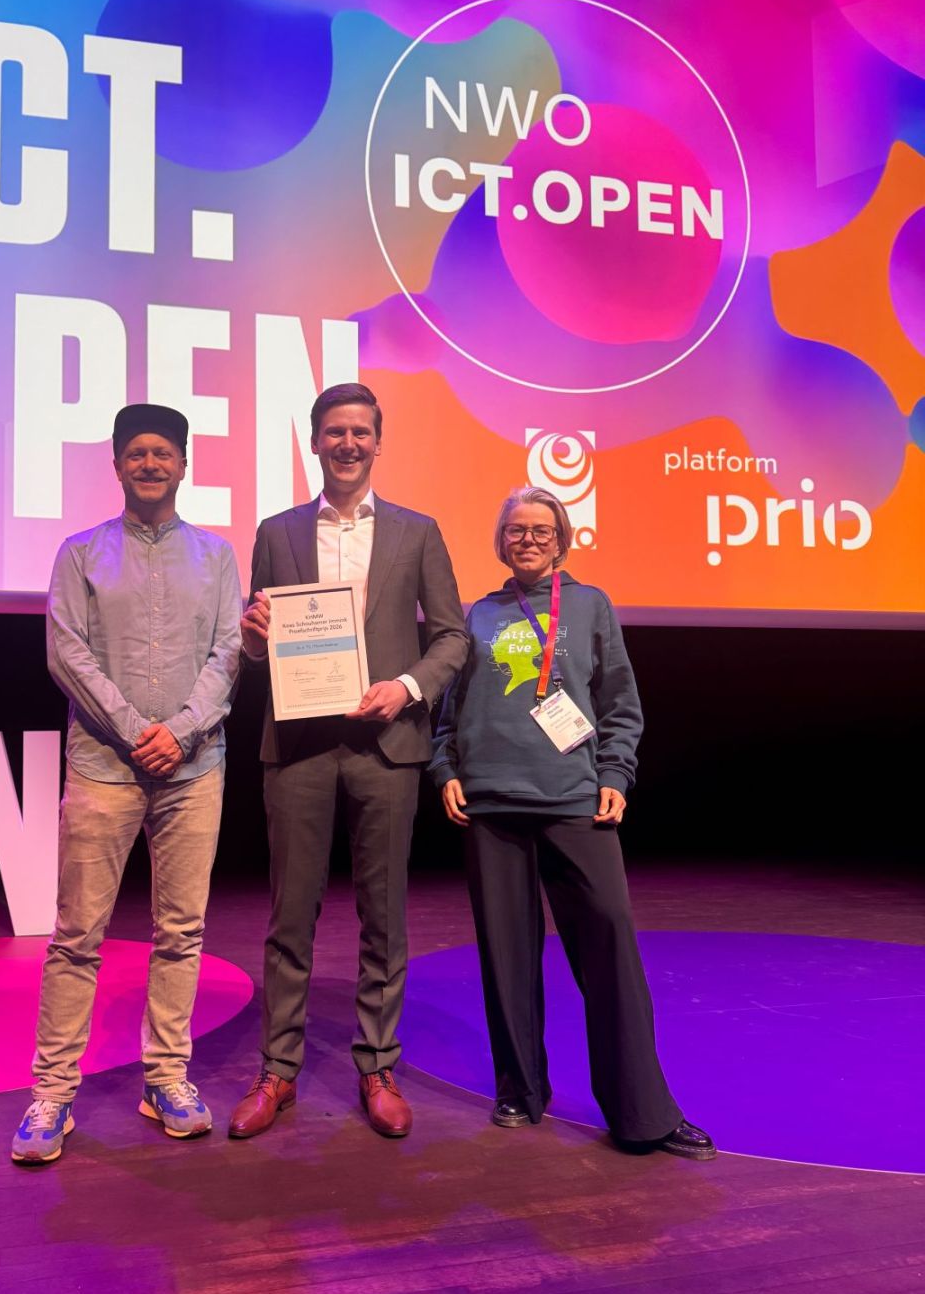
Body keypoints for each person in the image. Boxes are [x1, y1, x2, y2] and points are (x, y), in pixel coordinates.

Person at [428, 486, 715, 1160]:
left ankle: (642, 1113)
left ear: (561, 540)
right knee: (506, 957)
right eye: (516, 530)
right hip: (491, 804)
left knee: (611, 950)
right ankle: (519, 1090)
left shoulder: (590, 606)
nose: (527, 540)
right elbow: (449, 712)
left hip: (574, 800)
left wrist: (614, 775)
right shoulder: (478, 613)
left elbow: (620, 704)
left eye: (540, 530)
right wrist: (445, 770)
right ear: (500, 540)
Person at [230, 383, 468, 1139]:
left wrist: (407, 688)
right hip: (299, 745)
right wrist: (254, 641)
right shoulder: (277, 532)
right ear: (314, 442)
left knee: (383, 916)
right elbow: (261, 643)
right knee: (289, 915)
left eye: (360, 432)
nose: (348, 443)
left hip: (385, 746)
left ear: (378, 442)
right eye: (334, 431)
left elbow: (452, 636)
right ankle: (278, 1068)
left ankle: (377, 1063)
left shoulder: (417, 532)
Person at [11, 404, 241, 1164]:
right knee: (78, 935)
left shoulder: (216, 556)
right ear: (116, 466)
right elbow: (66, 653)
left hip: (193, 770)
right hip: (104, 767)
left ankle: (166, 1078)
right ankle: (52, 1093)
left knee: (182, 933)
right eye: (136, 453)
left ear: (184, 465)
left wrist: (181, 731)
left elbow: (227, 654)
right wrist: (136, 729)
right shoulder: (79, 553)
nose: (150, 464)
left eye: (162, 453)